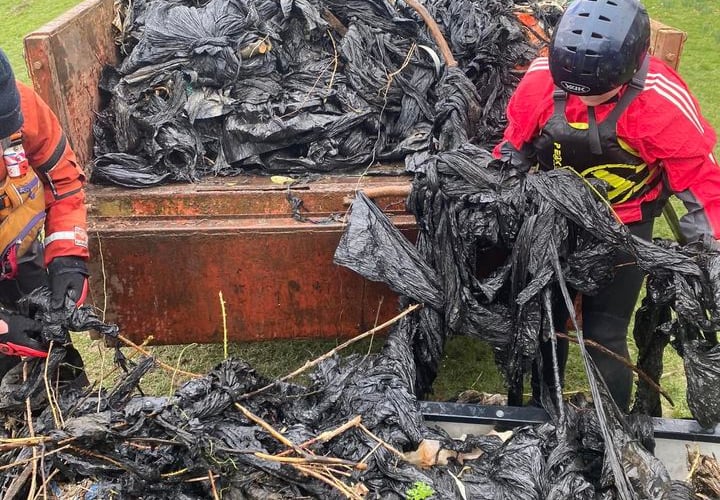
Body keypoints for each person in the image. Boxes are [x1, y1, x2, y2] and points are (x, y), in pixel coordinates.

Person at [493, 0, 720, 411]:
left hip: (624, 228)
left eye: (603, 95)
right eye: (583, 96)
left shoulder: (661, 104)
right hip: (552, 223)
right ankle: (549, 420)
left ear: (630, 71)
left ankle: (610, 431)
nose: (592, 104)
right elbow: (514, 148)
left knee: (605, 334)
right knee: (546, 326)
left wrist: (710, 252)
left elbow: (702, 186)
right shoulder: (541, 83)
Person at [0, 47, 90, 379]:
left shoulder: (20, 106)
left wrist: (69, 258)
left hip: (18, 255)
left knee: (56, 358)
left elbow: (64, 181)